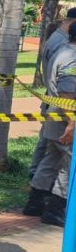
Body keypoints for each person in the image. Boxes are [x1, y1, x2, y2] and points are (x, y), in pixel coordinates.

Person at [24, 21, 76, 227]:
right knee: (69, 165)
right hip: (65, 118)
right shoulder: (72, 59)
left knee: (51, 159)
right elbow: (67, 93)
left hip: (55, 115)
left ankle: (35, 202)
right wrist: (72, 123)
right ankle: (56, 208)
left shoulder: (62, 52)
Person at [28, 8, 76, 178]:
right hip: (62, 107)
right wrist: (71, 121)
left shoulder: (57, 39)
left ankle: (38, 196)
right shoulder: (66, 49)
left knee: (50, 153)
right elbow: (67, 87)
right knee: (66, 162)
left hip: (55, 104)